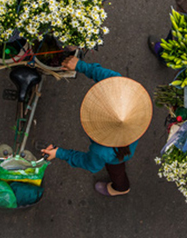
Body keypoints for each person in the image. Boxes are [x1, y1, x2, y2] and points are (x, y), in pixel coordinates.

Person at [41, 56, 153, 196]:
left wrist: (59, 153)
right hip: (128, 147)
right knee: (119, 162)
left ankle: (121, 188)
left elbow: (89, 164)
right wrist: (80, 65)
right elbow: (105, 76)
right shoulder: (133, 102)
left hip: (114, 157)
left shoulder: (101, 151)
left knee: (117, 171)